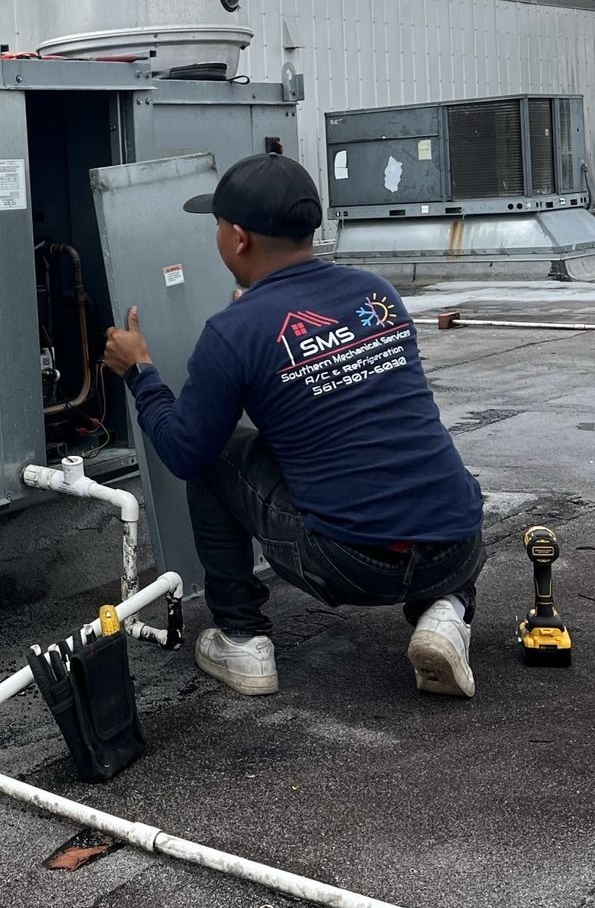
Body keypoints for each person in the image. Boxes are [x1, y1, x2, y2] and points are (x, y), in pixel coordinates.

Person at [102, 151, 483, 700]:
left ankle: (243, 639)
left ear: (238, 239)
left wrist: (140, 372)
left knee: (214, 454)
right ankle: (445, 612)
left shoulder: (235, 331)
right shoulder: (378, 292)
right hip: (457, 545)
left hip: (348, 563)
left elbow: (185, 451)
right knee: (423, 459)